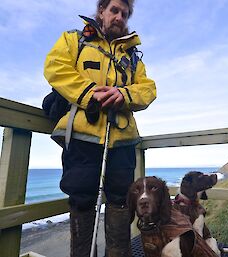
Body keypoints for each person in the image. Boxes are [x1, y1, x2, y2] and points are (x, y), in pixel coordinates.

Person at [43, 0, 156, 256]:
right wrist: (91, 94)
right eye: (114, 10)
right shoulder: (74, 39)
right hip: (82, 138)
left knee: (121, 201)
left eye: (125, 14)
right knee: (82, 199)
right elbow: (54, 67)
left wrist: (123, 94)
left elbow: (148, 89)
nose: (119, 17)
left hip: (123, 141)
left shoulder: (133, 57)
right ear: (101, 10)